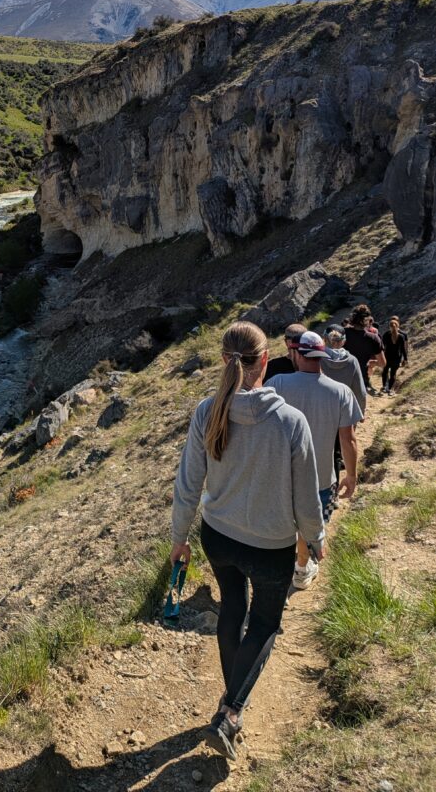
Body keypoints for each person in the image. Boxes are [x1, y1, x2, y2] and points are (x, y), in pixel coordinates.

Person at [172, 321, 325, 761]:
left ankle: (230, 698)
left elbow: (188, 484)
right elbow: (305, 493)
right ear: (266, 361)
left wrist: (179, 538)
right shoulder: (290, 422)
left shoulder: (208, 411)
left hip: (218, 536)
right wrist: (313, 539)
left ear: (225, 361)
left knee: (232, 610)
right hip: (271, 546)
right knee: (263, 623)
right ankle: (232, 711)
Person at [267, 331, 361, 589]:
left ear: (296, 353)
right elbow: (348, 440)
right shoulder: (340, 392)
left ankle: (285, 567)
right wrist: (351, 475)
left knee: (287, 523)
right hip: (321, 476)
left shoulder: (276, 384)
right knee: (310, 523)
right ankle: (301, 566)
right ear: (322, 355)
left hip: (282, 475)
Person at [322, 323, 366, 477]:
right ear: (343, 341)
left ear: (324, 339)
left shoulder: (317, 358)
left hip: (320, 410)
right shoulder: (352, 361)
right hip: (342, 413)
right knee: (338, 450)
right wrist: (360, 412)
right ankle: (334, 490)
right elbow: (360, 391)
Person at [343, 304, 385, 395]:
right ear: (367, 320)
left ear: (352, 318)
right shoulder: (374, 338)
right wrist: (372, 363)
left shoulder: (343, 333)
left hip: (341, 377)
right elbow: (382, 363)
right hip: (361, 379)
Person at [382, 316, 408, 394]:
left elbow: (382, 346)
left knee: (385, 372)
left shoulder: (386, 334)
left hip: (387, 356)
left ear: (389, 326)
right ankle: (390, 389)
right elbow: (403, 349)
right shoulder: (401, 336)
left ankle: (384, 387)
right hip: (397, 358)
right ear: (398, 326)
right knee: (393, 374)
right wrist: (405, 359)